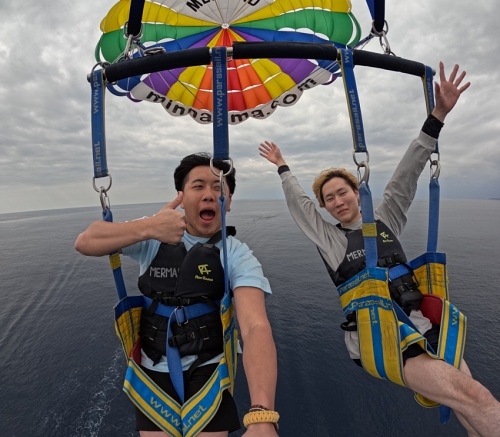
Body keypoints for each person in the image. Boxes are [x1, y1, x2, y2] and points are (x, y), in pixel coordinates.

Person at [259, 62, 500, 436]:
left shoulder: (385, 219)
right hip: (383, 341)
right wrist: (282, 166)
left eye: (342, 192)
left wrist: (437, 116)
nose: (337, 201)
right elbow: (299, 206)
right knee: (477, 398)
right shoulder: (332, 241)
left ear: (357, 193)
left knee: (469, 405)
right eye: (329, 198)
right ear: (325, 208)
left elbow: (407, 172)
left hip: (425, 326)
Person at [75, 153, 279, 437]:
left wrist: (262, 414)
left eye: (218, 187)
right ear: (181, 197)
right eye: (198, 186)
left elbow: (255, 326)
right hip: (152, 364)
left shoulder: (236, 254)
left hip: (209, 367)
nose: (209, 194)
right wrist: (149, 228)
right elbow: (86, 242)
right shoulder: (154, 233)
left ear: (229, 201)